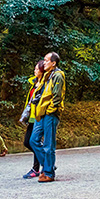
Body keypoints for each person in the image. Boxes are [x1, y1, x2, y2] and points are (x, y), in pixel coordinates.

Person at [30, 51, 65, 182]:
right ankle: (48, 165)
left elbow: (57, 96)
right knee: (33, 140)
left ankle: (49, 173)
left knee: (49, 144)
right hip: (41, 112)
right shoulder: (46, 75)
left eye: (46, 60)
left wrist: (50, 111)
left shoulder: (58, 75)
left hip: (50, 113)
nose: (43, 63)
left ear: (53, 63)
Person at [19, 61, 46, 179]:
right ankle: (45, 161)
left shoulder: (44, 85)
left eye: (36, 69)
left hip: (39, 116)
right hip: (31, 117)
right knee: (28, 142)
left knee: (34, 142)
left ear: (41, 71)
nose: (34, 71)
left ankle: (38, 168)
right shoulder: (34, 84)